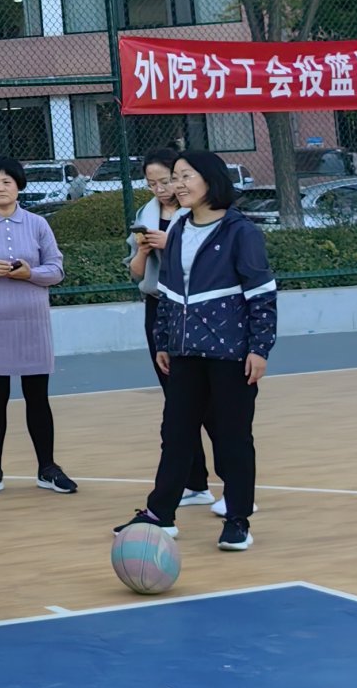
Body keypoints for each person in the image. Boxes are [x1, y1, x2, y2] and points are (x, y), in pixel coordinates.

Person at [116, 148, 274, 555]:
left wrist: (259, 348)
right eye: (176, 177)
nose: (178, 184)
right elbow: (167, 291)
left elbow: (261, 294)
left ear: (211, 180)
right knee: (176, 433)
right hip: (184, 352)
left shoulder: (240, 231)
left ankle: (237, 520)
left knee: (233, 436)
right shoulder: (180, 228)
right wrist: (164, 340)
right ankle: (160, 514)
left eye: (186, 176)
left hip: (231, 354)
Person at [0, 157, 76, 497]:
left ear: (19, 186)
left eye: (7, 181)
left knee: (38, 397)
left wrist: (30, 273)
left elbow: (56, 270)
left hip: (32, 323)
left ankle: (47, 468)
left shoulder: (38, 224)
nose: (1, 187)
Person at [128, 154, 213, 509]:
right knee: (177, 400)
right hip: (159, 308)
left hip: (194, 309)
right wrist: (144, 250)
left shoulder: (200, 214)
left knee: (209, 402)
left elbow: (205, 263)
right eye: (152, 183)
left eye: (166, 180)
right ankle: (196, 483)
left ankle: (237, 488)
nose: (161, 189)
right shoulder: (145, 216)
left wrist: (171, 243)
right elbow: (136, 273)